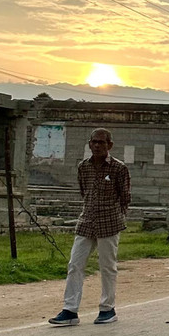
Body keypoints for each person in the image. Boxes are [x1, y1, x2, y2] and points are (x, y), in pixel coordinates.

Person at [48, 129, 131, 326]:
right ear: (89, 144)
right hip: (86, 221)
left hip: (109, 223)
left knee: (107, 266)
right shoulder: (83, 167)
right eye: (94, 142)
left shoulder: (119, 168)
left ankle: (107, 308)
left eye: (101, 142)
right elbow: (83, 191)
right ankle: (70, 310)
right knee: (75, 264)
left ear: (110, 145)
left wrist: (115, 216)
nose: (97, 146)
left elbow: (125, 197)